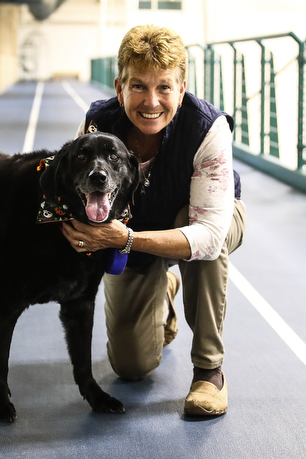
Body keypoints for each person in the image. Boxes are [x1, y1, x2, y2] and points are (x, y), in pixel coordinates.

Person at [60, 24, 246, 416]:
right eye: (139, 86)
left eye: (164, 87)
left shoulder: (207, 128)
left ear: (181, 88)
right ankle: (165, 289)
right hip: (133, 227)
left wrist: (124, 240)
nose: (152, 101)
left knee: (203, 245)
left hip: (203, 219)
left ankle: (209, 372)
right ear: (119, 88)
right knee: (131, 367)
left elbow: (210, 235)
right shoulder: (97, 125)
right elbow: (72, 193)